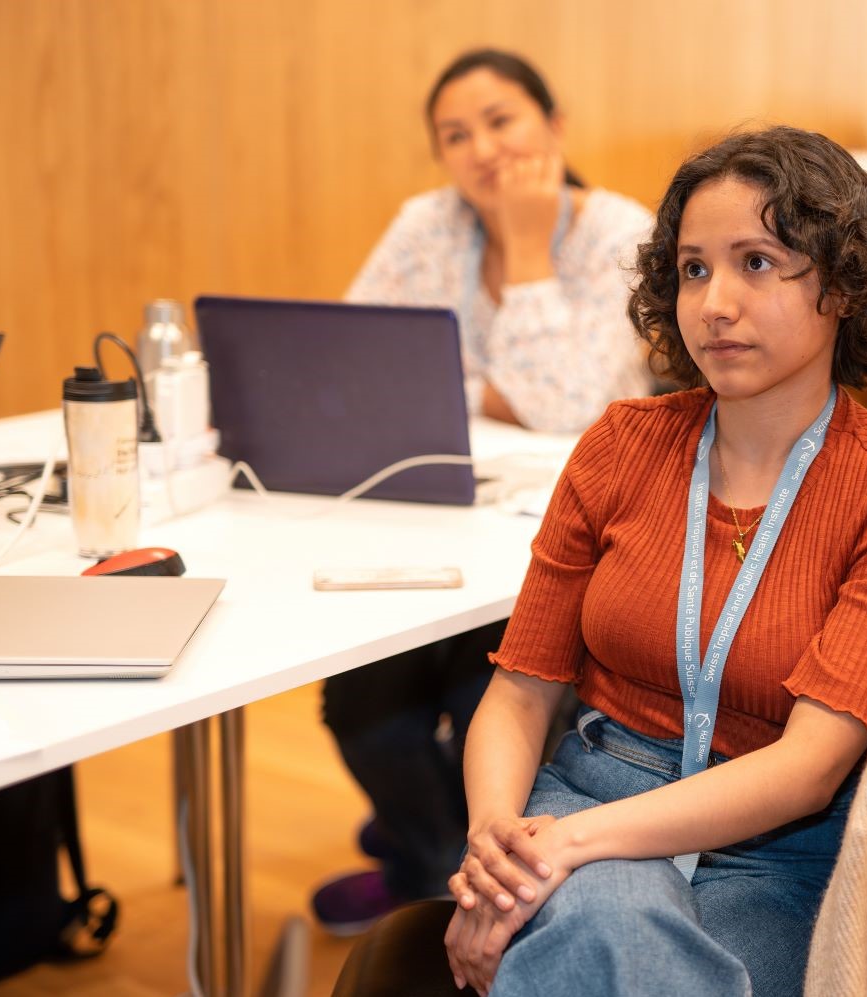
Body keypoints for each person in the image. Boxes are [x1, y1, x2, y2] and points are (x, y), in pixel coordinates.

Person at [426, 125, 867, 996]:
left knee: (609, 935)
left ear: (846, 287)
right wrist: (495, 848)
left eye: (757, 262)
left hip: (771, 853)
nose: (714, 303)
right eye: (695, 268)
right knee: (613, 922)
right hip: (591, 787)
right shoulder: (619, 445)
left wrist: (566, 851)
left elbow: (808, 766)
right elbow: (520, 692)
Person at [312, 48, 654, 935]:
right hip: (442, 519)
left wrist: (526, 249)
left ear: (556, 126)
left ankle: (461, 871)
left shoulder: (623, 234)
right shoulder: (426, 226)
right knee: (357, 700)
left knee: (486, 704)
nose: (481, 149)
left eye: (501, 120)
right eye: (454, 136)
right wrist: (484, 387)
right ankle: (430, 877)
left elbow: (574, 412)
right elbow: (357, 365)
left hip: (573, 535)